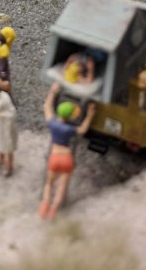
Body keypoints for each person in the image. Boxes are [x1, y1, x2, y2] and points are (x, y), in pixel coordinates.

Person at [40, 81, 96, 221]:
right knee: (62, 186)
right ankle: (54, 209)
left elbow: (46, 106)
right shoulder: (69, 129)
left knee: (49, 183)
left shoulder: (53, 124)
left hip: (55, 156)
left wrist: (53, 91)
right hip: (66, 158)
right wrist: (90, 114)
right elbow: (82, 130)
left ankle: (45, 204)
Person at [0, 27, 15, 92]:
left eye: (2, 35)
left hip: (1, 66)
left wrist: (3, 72)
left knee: (1, 79)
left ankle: (4, 90)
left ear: (6, 38)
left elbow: (5, 62)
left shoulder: (4, 48)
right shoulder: (0, 44)